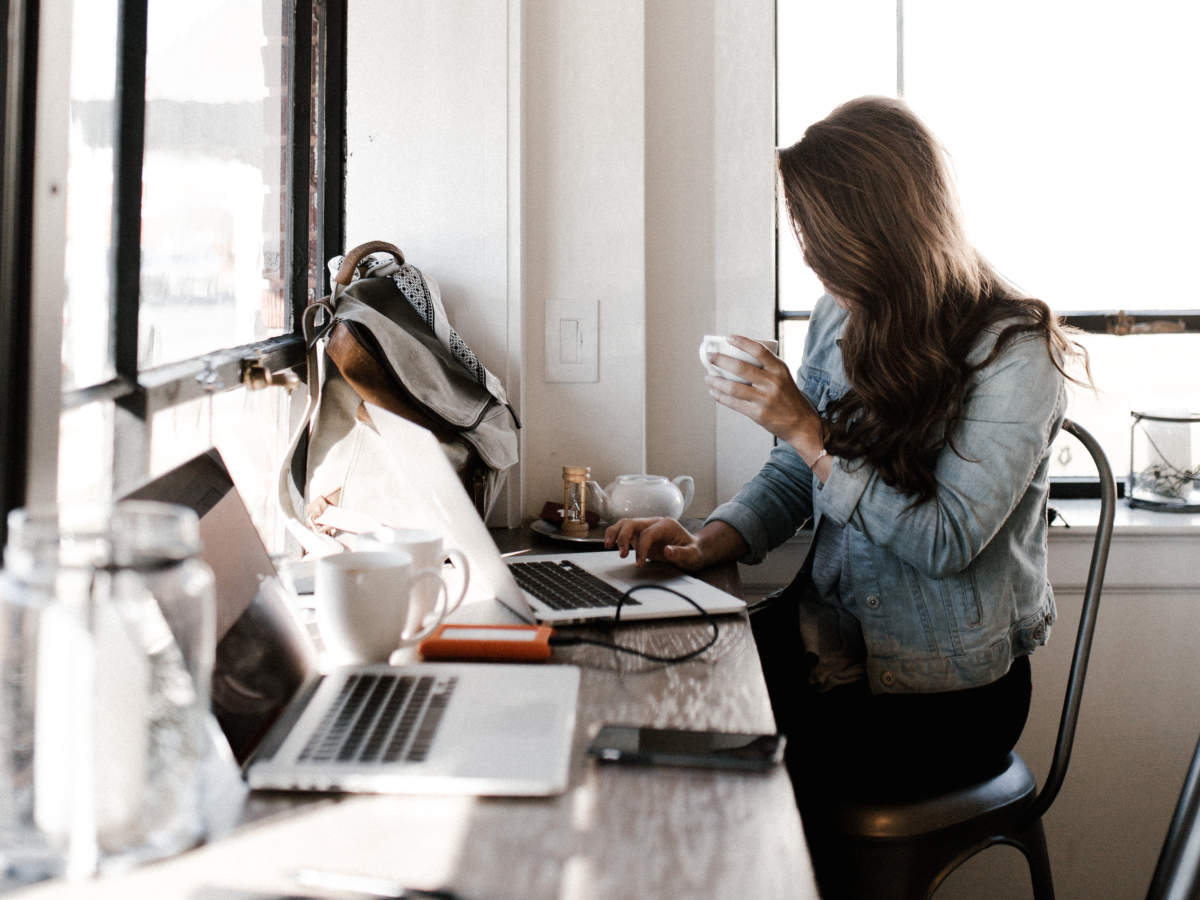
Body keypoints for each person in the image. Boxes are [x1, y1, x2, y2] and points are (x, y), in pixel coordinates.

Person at [604, 95, 1090, 852]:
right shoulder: (843, 316)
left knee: (710, 781)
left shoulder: (1014, 352)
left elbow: (946, 540)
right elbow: (799, 470)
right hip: (828, 649)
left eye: (817, 233)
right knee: (651, 696)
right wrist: (712, 540)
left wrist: (805, 425)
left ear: (880, 228)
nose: (808, 254)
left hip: (945, 698)